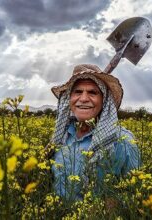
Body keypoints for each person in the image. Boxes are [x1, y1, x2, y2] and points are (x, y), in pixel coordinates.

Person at [48, 64, 141, 200]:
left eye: (93, 92)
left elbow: (135, 193)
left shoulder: (123, 141)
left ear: (104, 101)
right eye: (78, 92)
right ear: (69, 98)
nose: (84, 98)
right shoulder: (61, 136)